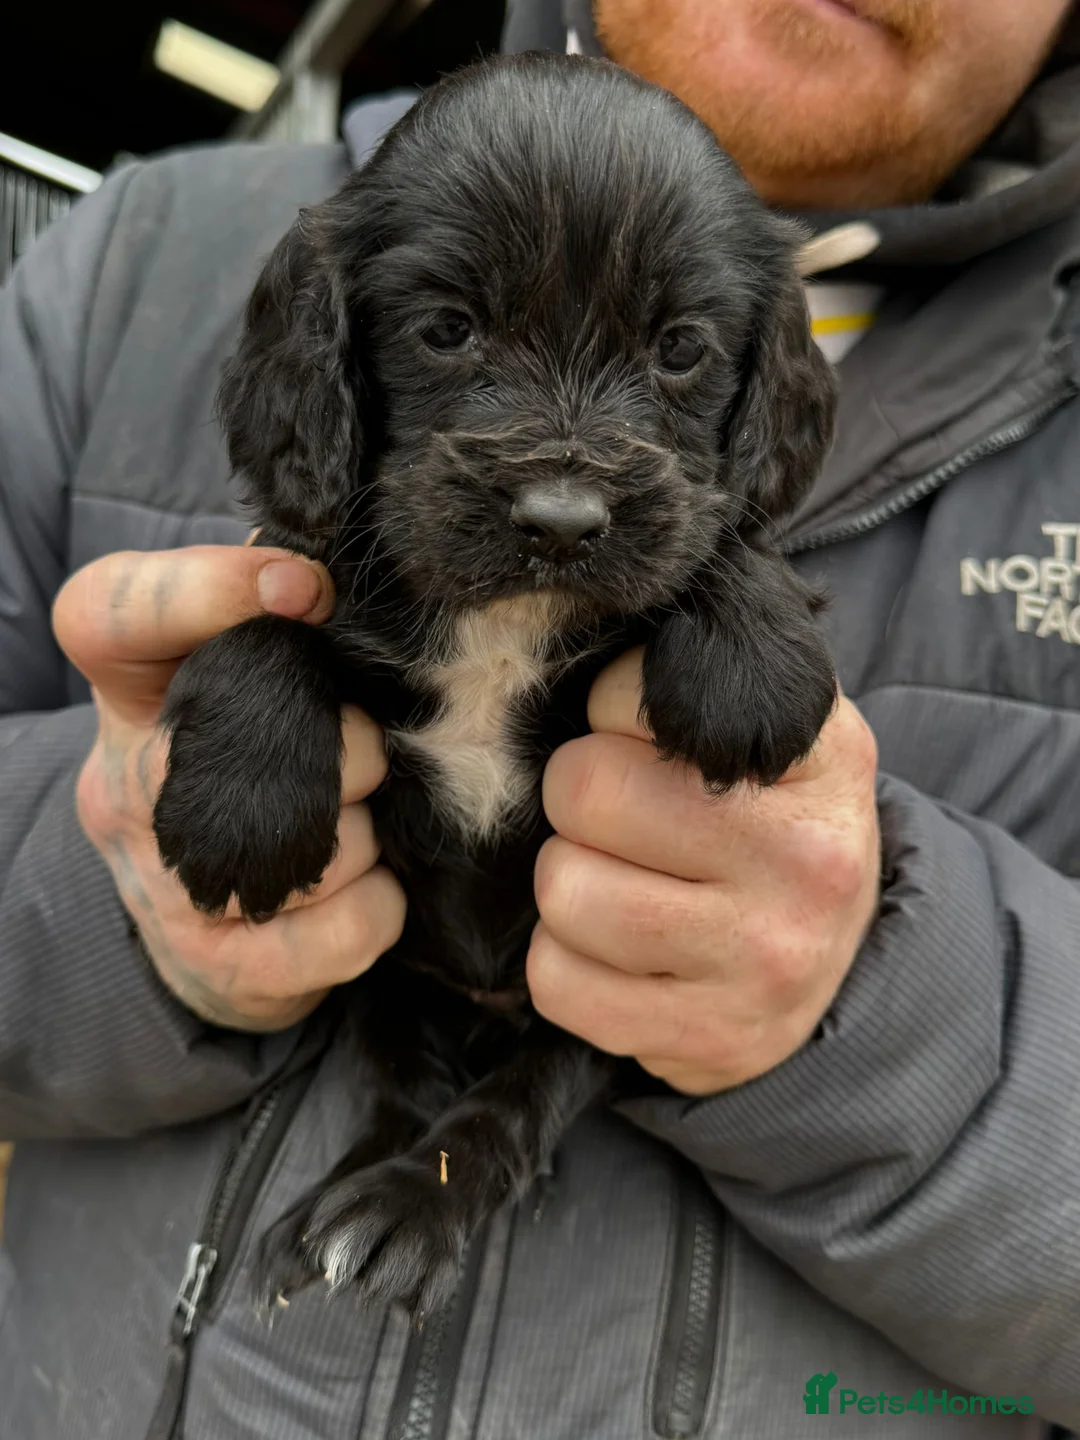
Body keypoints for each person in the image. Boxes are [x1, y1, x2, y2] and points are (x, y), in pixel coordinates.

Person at [1, 0, 1078, 1434]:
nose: (567, 490)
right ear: (345, 343)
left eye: (677, 359)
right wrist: (98, 875)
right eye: (450, 332)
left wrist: (888, 1005)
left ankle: (462, 1161)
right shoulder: (140, 253)